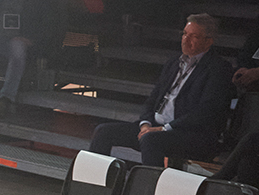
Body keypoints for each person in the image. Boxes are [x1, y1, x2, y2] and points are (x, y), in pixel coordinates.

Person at [88, 15, 234, 166]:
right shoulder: (173, 62)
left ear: (208, 41)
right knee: (103, 131)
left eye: (194, 36)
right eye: (184, 34)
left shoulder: (218, 68)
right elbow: (153, 99)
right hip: (155, 126)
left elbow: (205, 112)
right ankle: (94, 183)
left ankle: (151, 187)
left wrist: (164, 129)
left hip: (188, 132)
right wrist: (145, 124)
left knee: (150, 140)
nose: (186, 39)